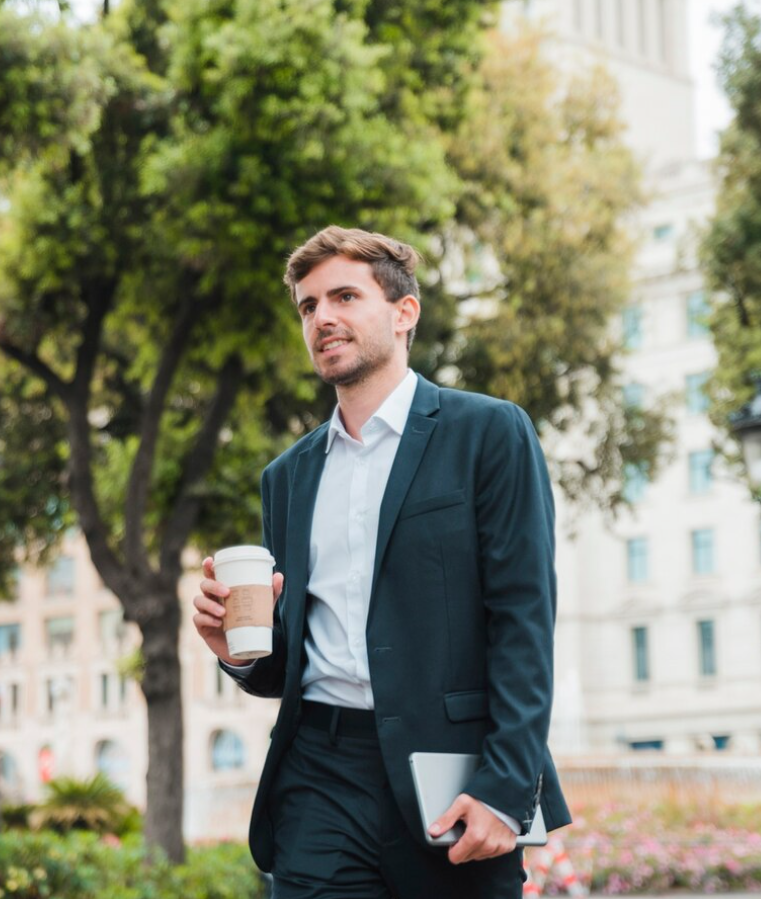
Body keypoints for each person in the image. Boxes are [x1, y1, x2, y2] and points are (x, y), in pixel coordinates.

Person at [191, 227, 570, 898]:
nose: (322, 318)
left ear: (404, 313)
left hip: (450, 772)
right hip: (318, 773)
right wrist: (240, 654)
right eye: (309, 306)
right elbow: (294, 656)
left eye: (344, 296)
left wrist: (506, 786)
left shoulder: (488, 433)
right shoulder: (287, 477)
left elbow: (524, 618)